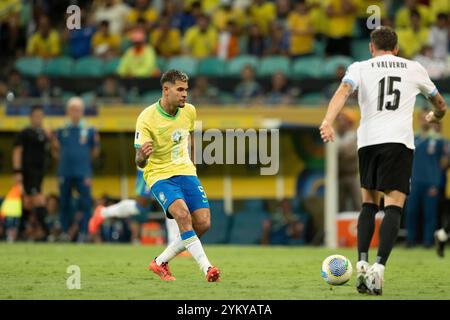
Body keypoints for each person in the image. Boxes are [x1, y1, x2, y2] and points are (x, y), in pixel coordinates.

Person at [319, 26, 447, 295]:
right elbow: (440, 104)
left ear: (371, 47)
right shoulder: (414, 68)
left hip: (367, 142)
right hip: (398, 143)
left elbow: (344, 90)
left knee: (369, 201)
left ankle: (362, 262)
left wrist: (327, 120)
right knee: (393, 205)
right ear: (397, 48)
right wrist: (435, 117)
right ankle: (378, 268)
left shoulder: (360, 67)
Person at [133, 69, 220, 282]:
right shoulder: (147, 117)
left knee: (203, 223)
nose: (184, 94)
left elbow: (185, 137)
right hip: (160, 175)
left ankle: (160, 261)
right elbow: (138, 160)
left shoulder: (189, 111)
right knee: (183, 216)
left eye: (186, 90)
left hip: (186, 172)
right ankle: (207, 268)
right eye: (180, 90)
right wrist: (142, 157)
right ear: (166, 90)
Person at [88, 168, 181, 247]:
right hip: (151, 166)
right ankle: (103, 212)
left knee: (170, 199)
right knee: (140, 205)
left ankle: (174, 242)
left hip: (167, 166)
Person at [51, 97, 101, 242]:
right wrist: (62, 160)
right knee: (64, 203)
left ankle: (85, 233)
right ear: (67, 111)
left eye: (78, 110)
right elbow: (55, 150)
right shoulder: (61, 130)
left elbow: (95, 151)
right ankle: (65, 232)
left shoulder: (89, 129)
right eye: (72, 109)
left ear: (82, 111)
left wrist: (84, 163)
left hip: (83, 172)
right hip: (64, 171)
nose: (75, 113)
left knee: (85, 203)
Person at [405, 110, 449, 248]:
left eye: (427, 118)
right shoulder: (412, 139)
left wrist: (436, 182)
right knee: (411, 212)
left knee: (430, 214)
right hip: (415, 181)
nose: (424, 120)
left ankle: (428, 242)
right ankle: (410, 240)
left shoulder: (439, 140)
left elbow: (444, 162)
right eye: (422, 118)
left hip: (431, 183)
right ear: (418, 120)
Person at [12, 105, 51, 241]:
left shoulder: (44, 134)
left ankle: (21, 232)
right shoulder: (25, 133)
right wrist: (17, 171)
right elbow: (17, 151)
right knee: (38, 200)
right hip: (27, 171)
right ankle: (47, 233)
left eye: (41, 116)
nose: (38, 118)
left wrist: (50, 136)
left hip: (39, 172)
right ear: (30, 117)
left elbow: (55, 149)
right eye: (36, 116)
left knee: (27, 202)